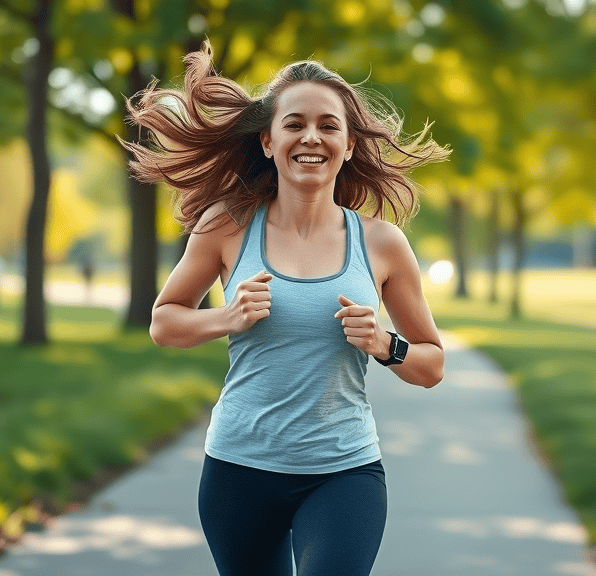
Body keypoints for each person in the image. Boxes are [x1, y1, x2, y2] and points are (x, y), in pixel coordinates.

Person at [119, 41, 449, 576]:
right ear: (268, 142)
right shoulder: (226, 225)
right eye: (294, 124)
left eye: (328, 125)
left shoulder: (382, 244)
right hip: (238, 470)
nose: (311, 137)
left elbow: (432, 364)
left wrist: (385, 344)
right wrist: (225, 318)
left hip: (344, 471)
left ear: (347, 144)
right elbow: (164, 321)